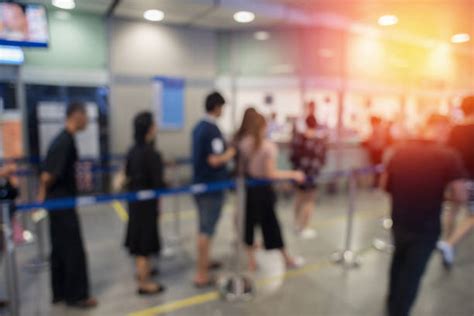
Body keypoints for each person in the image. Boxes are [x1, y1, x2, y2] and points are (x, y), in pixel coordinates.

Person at [380, 114, 467, 316]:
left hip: (399, 220)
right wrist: (441, 195)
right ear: (442, 128)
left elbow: (384, 186)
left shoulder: (399, 152)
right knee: (412, 275)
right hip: (426, 227)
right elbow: (461, 196)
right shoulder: (449, 156)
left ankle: (391, 305)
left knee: (398, 264)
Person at [37, 103, 97, 308]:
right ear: (76, 115)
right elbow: (48, 175)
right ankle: (76, 295)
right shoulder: (64, 141)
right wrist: (41, 196)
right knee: (73, 249)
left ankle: (59, 292)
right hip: (61, 205)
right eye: (85, 116)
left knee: (60, 248)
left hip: (59, 204)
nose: (87, 120)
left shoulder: (64, 139)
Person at [239, 112, 305, 271]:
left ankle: (251, 261)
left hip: (250, 189)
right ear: (263, 127)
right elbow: (270, 174)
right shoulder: (268, 147)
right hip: (263, 192)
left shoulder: (244, 144)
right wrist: (293, 174)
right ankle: (287, 259)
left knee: (248, 225)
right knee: (272, 225)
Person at [191, 92, 236, 287]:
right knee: (206, 230)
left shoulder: (198, 128)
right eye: (222, 108)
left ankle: (205, 262)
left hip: (201, 185)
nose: (223, 111)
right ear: (217, 107)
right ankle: (201, 274)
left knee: (205, 227)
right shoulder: (211, 130)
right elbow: (215, 159)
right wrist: (232, 152)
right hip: (211, 187)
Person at [124, 112, 166, 295]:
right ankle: (144, 283)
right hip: (148, 205)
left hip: (134, 202)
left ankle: (143, 272)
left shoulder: (132, 151)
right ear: (149, 129)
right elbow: (158, 183)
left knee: (138, 238)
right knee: (145, 243)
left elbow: (127, 175)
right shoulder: (152, 154)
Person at [438, 95, 474, 268]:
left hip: (454, 178)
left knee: (452, 210)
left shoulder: (454, 129)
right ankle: (449, 243)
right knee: (472, 216)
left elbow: (447, 152)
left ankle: (446, 241)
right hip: (471, 178)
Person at [290, 101, 327, 239]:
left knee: (299, 197)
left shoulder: (300, 139)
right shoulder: (320, 141)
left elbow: (293, 156)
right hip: (312, 175)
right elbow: (323, 159)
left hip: (299, 173)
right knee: (309, 200)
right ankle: (303, 227)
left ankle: (296, 223)